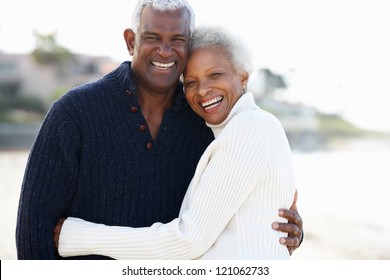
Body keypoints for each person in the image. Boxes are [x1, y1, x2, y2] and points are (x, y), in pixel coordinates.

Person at [16, 0, 302, 260]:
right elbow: (34, 229)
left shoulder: (205, 122)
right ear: (131, 41)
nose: (165, 51)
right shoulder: (74, 113)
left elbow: (213, 224)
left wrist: (277, 226)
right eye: (152, 38)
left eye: (178, 39)